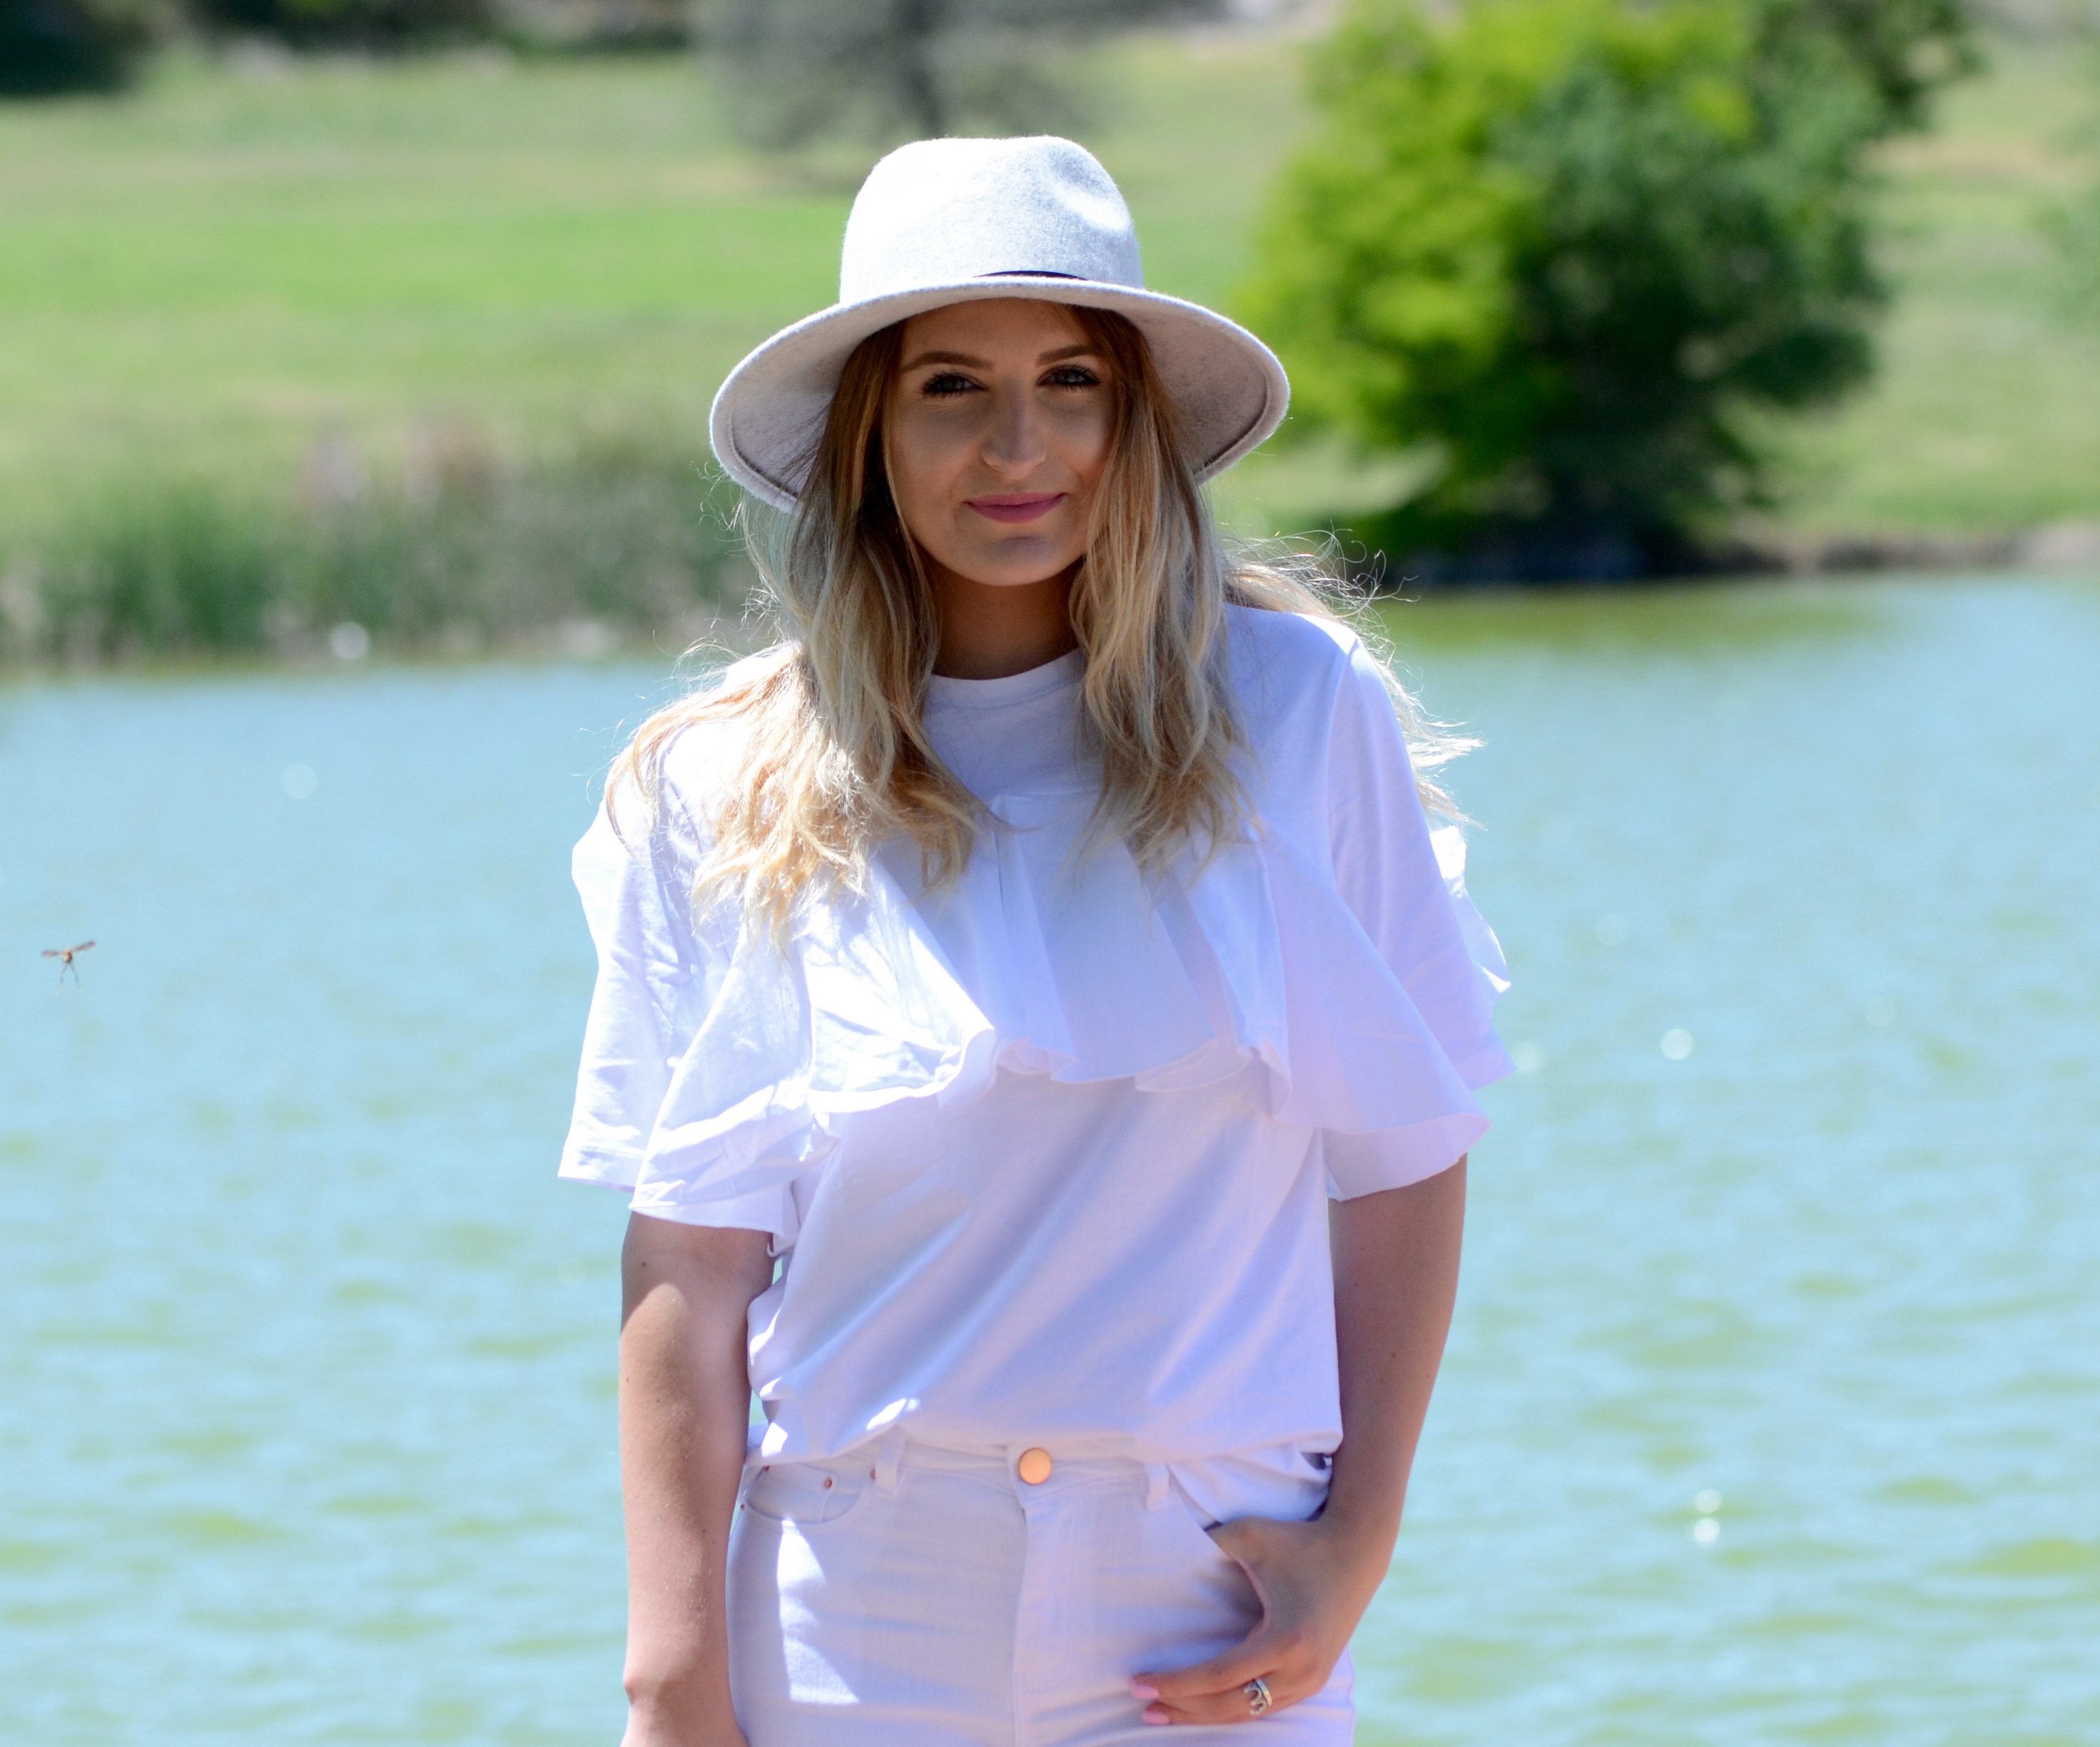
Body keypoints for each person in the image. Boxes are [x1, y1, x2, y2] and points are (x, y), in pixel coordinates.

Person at [559, 135, 1511, 1747]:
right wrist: (670, 1681)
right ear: (869, 429)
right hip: (852, 1619)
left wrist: (1359, 1541)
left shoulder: (1297, 715)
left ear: (1132, 419)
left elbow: (1405, 1156)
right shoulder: (722, 778)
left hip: (1210, 1608)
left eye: (1070, 379)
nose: (1020, 445)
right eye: (950, 387)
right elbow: (692, 1257)